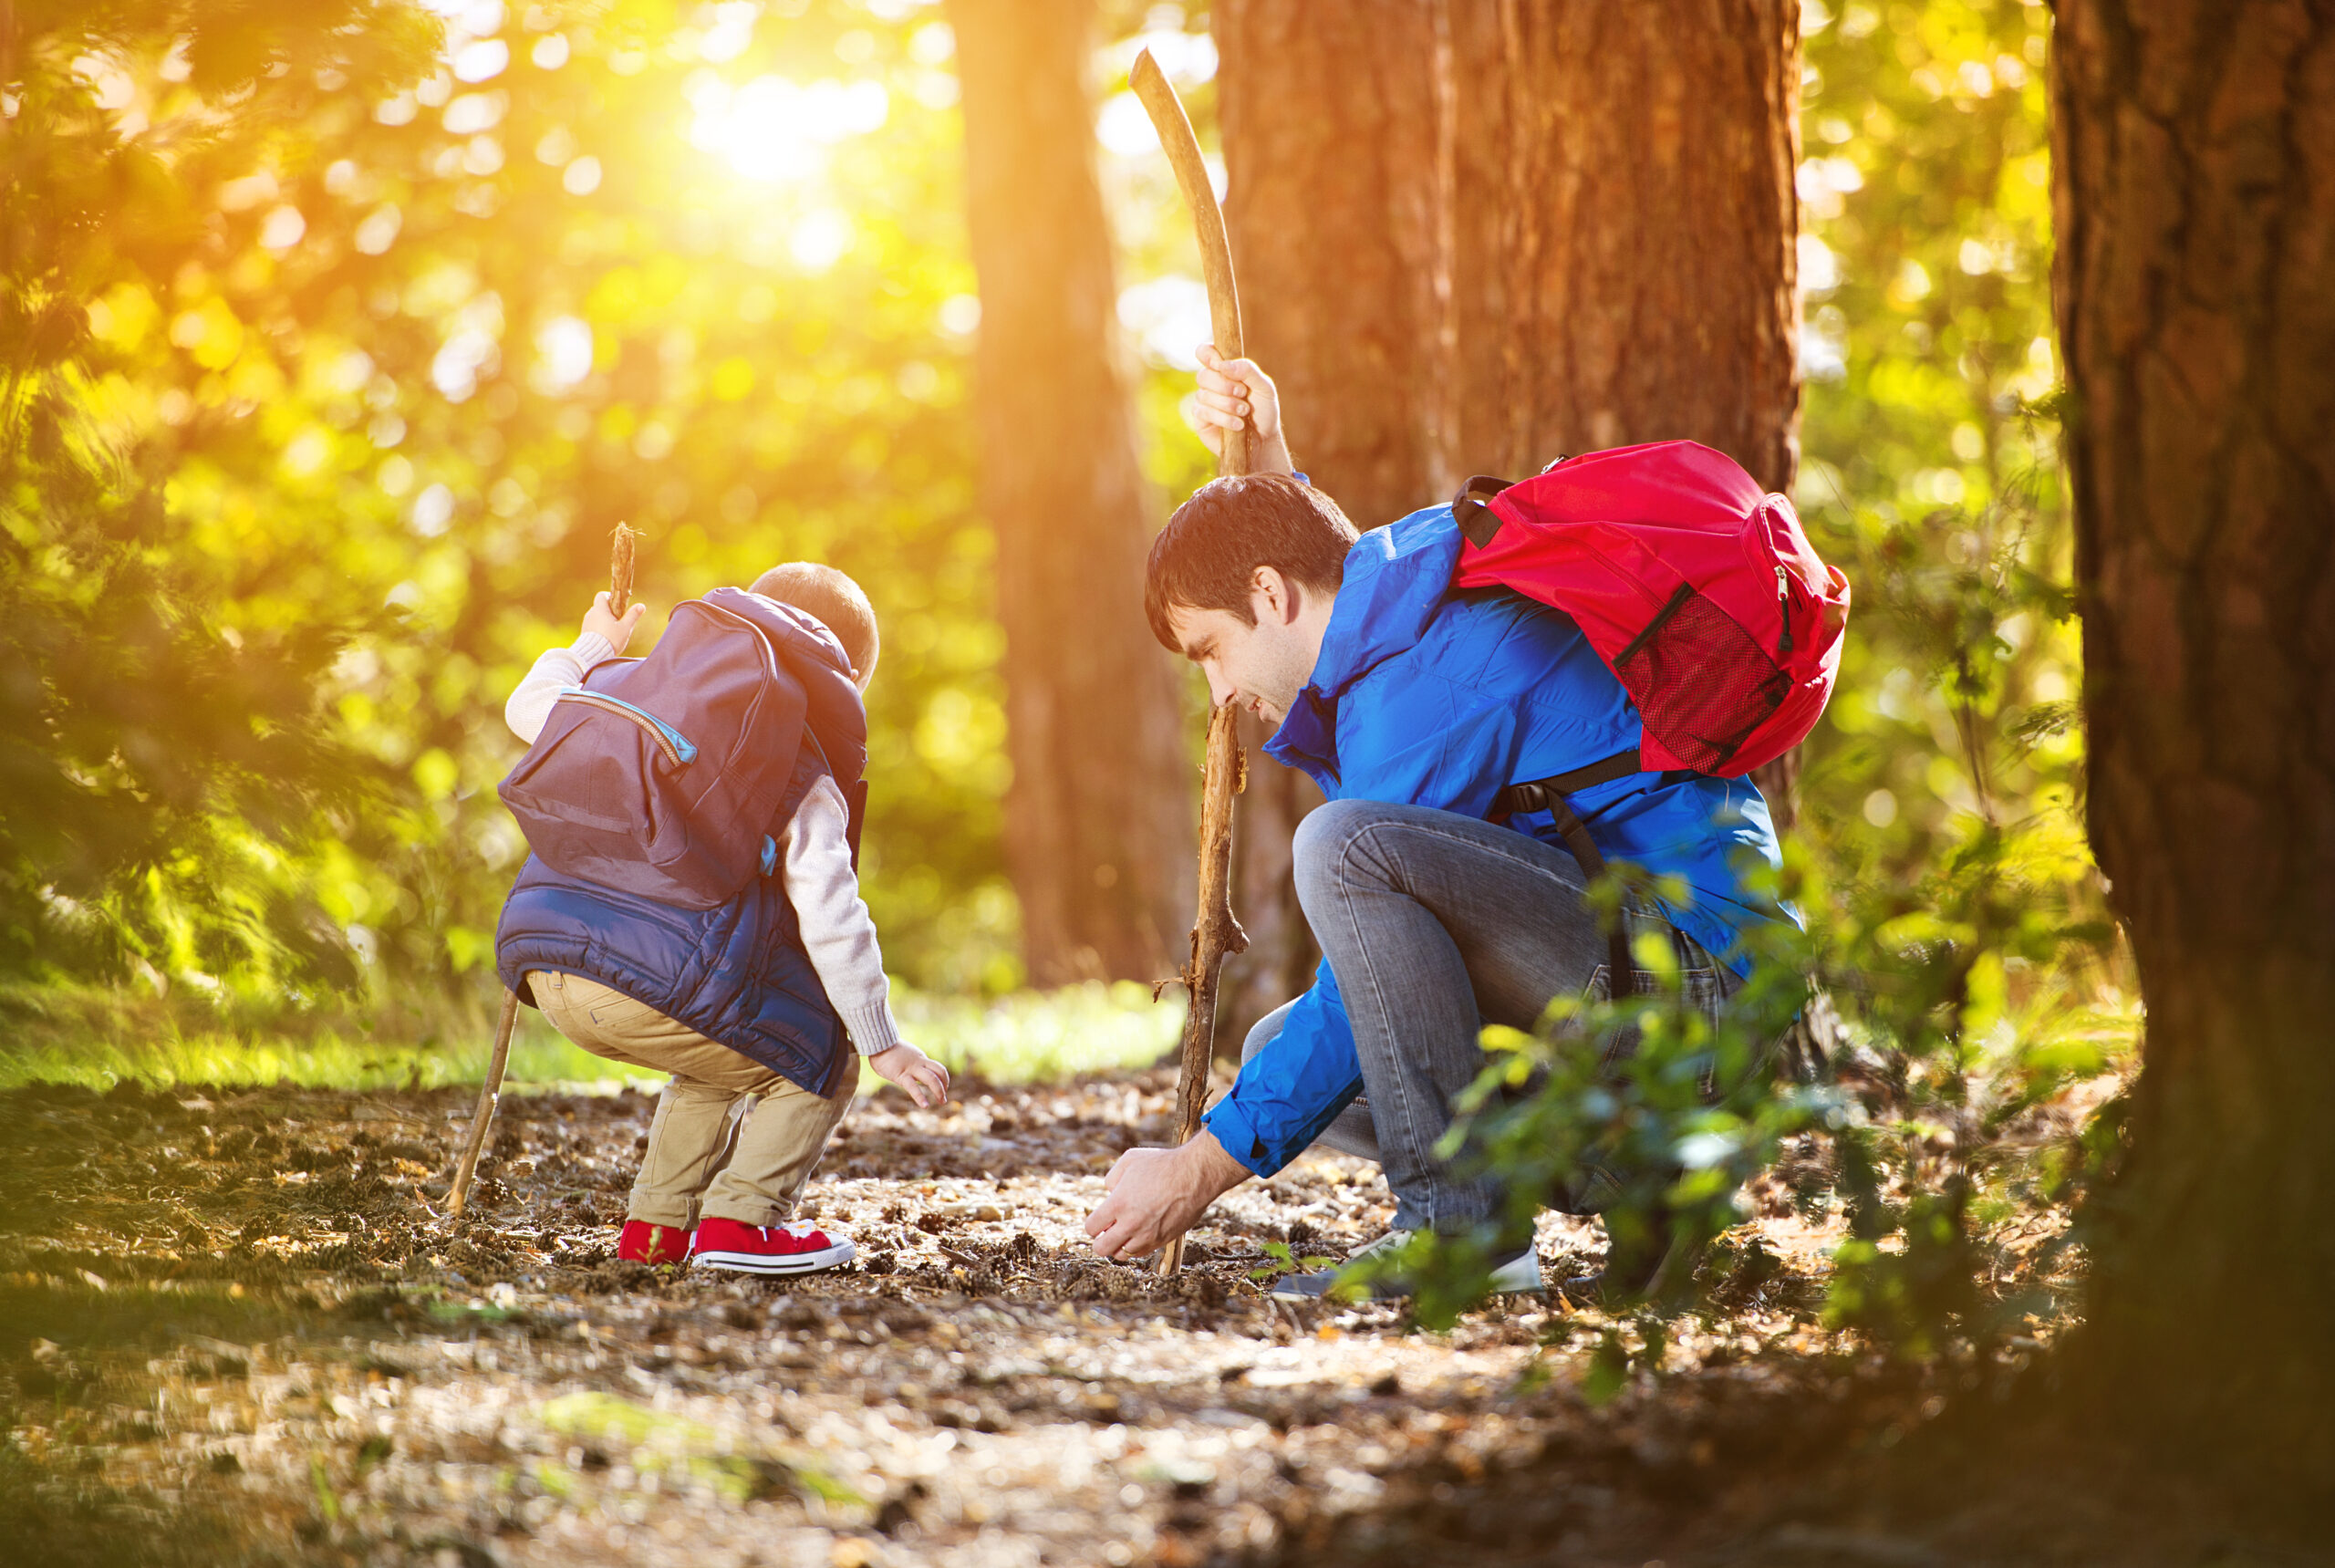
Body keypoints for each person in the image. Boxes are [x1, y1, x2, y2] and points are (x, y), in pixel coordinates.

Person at [1082, 351, 1790, 1300]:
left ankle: (1462, 1235)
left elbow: (1371, 876)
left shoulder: (1425, 686)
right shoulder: (1408, 597)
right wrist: (1271, 471)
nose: (1220, 693)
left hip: (1704, 1013)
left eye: (1211, 652)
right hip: (1656, 995)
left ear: (1265, 595)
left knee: (1344, 848)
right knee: (1275, 1049)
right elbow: (1323, 571)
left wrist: (1197, 1171)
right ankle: (1646, 1191)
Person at [495, 562, 949, 1276]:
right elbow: (834, 911)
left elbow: (529, 707)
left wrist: (592, 645)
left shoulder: (636, 689)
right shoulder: (798, 759)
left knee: (720, 1061)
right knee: (817, 1059)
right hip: (642, 984)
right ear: (849, 679)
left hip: (544, 963)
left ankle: (655, 1231)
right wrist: (880, 1037)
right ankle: (743, 1221)